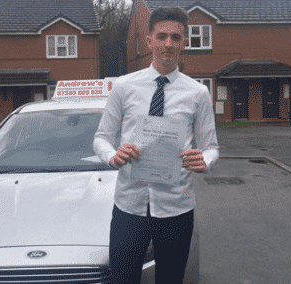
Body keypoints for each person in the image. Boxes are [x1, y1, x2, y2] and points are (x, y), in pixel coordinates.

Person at [93, 6, 219, 284]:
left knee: (170, 279)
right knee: (122, 279)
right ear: (149, 41)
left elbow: (211, 147)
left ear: (184, 43)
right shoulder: (125, 87)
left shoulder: (197, 93)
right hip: (129, 205)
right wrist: (113, 156)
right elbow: (101, 137)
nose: (168, 44)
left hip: (176, 207)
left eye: (176, 37)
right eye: (161, 36)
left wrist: (205, 161)